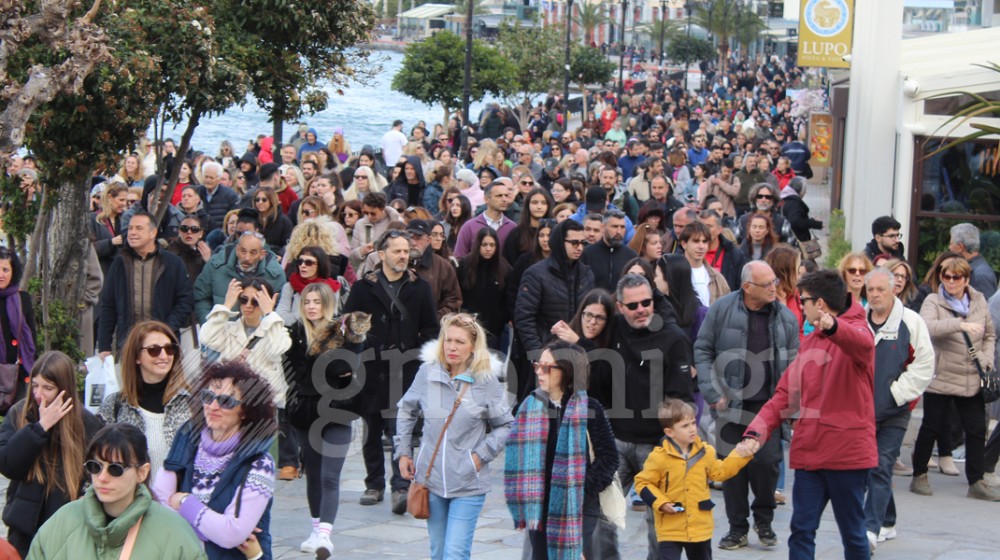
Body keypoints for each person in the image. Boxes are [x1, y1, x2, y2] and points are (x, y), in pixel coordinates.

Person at [741, 270, 877, 560]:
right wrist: (756, 432)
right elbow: (783, 396)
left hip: (847, 456)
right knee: (801, 530)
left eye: (803, 301)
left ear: (822, 304)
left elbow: (860, 344)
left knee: (853, 533)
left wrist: (834, 328)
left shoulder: (859, 330)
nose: (800, 306)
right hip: (810, 454)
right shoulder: (811, 341)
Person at [694, 261, 800, 551]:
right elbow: (702, 349)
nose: (773, 288)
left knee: (767, 465)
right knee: (732, 472)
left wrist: (793, 406)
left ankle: (763, 521)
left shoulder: (786, 318)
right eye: (766, 284)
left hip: (768, 408)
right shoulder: (721, 310)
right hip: (730, 406)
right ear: (747, 287)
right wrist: (711, 391)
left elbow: (795, 365)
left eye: (774, 282)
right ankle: (737, 528)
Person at [396, 313, 513, 560]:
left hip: (468, 483)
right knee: (438, 552)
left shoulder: (486, 381)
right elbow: (407, 409)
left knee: (455, 553)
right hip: (431, 479)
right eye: (448, 340)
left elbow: (505, 426)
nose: (451, 347)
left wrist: (479, 456)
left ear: (473, 347)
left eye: (459, 342)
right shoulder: (427, 372)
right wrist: (404, 451)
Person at [342, 230, 439, 514]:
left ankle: (400, 485)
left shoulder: (419, 287)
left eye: (405, 251)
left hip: (406, 369)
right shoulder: (363, 287)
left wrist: (418, 357)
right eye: (396, 251)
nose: (402, 256)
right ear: (381, 255)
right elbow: (348, 326)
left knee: (401, 429)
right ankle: (374, 483)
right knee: (371, 428)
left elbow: (432, 328)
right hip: (372, 368)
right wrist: (353, 357)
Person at [608, 273, 697, 560]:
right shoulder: (612, 329)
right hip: (616, 441)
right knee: (597, 515)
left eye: (646, 302)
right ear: (620, 306)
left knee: (661, 523)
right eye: (632, 305)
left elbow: (681, 397)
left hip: (656, 445)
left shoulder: (672, 337)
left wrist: (670, 446)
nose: (641, 309)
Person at [504, 340, 619, 560]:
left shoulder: (589, 408)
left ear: (567, 371)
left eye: (548, 367)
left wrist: (582, 488)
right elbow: (515, 456)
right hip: (539, 506)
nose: (540, 371)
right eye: (538, 365)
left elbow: (609, 457)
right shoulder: (529, 406)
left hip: (579, 506)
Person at [154, 360, 279, 559]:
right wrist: (209, 530)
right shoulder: (186, 440)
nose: (213, 406)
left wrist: (185, 501)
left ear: (245, 411)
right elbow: (159, 507)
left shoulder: (259, 462)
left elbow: (231, 534)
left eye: (227, 401)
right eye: (207, 396)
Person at [26, 423, 207, 560]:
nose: (102, 477)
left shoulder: (174, 532)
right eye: (95, 466)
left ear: (142, 472)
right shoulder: (62, 522)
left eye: (115, 469)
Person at [284, 282, 367, 554]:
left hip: (338, 411)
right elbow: (296, 372)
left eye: (317, 302)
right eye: (307, 301)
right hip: (305, 412)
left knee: (330, 476)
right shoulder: (294, 333)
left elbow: (347, 367)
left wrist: (329, 369)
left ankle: (325, 535)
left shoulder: (343, 332)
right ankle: (315, 529)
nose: (311, 306)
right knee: (313, 474)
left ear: (328, 304)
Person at [911, 256, 1000, 500]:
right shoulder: (933, 300)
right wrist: (958, 325)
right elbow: (927, 327)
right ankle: (919, 474)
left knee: (976, 429)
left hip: (971, 375)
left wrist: (987, 359)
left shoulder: (979, 300)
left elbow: (990, 334)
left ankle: (976, 481)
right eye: (946, 277)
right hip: (941, 374)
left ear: (966, 279)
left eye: (956, 277)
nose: (950, 282)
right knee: (931, 425)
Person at [0, 351, 104, 557]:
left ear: (64, 389)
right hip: (24, 531)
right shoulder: (19, 413)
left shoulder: (86, 422)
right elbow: (7, 464)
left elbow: (98, 467)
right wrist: (40, 427)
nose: (39, 394)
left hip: (69, 528)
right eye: (35, 385)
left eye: (48, 388)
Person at [862, 268, 935, 552]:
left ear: (894, 290)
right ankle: (887, 519)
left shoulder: (911, 321)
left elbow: (925, 365)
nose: (876, 295)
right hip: (861, 411)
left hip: (895, 411)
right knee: (870, 468)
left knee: (881, 465)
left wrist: (896, 395)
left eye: (881, 289)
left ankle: (869, 530)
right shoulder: (857, 319)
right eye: (871, 290)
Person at [634, 398, 755, 560]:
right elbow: (643, 483)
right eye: (685, 426)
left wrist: (740, 455)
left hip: (700, 528)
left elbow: (720, 472)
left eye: (692, 423)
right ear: (670, 432)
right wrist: (661, 503)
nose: (692, 429)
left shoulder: (706, 452)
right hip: (670, 528)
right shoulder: (658, 457)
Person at [97, 321, 192, 476]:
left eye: (169, 349)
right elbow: (97, 460)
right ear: (136, 357)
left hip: (176, 498)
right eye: (154, 350)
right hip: (130, 498)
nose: (164, 356)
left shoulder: (191, 404)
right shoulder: (115, 405)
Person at [97, 211, 194, 355]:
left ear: (153, 233)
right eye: (130, 228)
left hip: (163, 342)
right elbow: (108, 306)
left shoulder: (172, 263)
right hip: (128, 343)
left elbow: (185, 301)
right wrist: (104, 346)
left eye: (139, 228)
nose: (132, 233)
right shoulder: (120, 263)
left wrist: (166, 328)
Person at [199, 276, 291, 422]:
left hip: (265, 409)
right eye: (243, 299)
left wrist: (269, 313)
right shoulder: (229, 329)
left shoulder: (276, 331)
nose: (248, 305)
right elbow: (206, 337)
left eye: (255, 302)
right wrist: (226, 306)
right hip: (230, 408)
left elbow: (278, 348)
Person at [515, 219, 596, 355]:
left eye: (583, 243)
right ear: (560, 242)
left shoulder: (587, 274)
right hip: (548, 351)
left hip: (578, 351)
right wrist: (539, 354)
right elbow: (524, 318)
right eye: (574, 243)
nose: (580, 248)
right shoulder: (536, 274)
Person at [193, 230, 286, 324]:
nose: (247, 258)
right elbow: (201, 297)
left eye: (253, 253)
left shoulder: (276, 275)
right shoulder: (216, 265)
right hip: (220, 331)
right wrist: (209, 325)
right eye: (243, 251)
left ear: (262, 254)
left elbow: (279, 309)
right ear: (237, 250)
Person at [457, 227, 510, 350]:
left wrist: (499, 320)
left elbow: (507, 300)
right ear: (477, 245)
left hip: (493, 331)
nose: (488, 249)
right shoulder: (465, 265)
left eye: (492, 245)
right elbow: (459, 294)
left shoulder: (504, 268)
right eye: (484, 244)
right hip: (468, 327)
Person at [0, 248, 37, 404]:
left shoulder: (22, 298)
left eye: (5, 270)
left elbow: (31, 338)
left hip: (20, 373)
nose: (1, 275)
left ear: (13, 272)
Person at [406, 220, 463, 319]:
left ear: (428, 240)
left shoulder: (443, 266)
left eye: (419, 238)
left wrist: (434, 320)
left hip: (429, 330)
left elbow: (453, 301)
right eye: (411, 238)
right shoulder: (394, 261)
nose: (414, 243)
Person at [453, 180, 517, 258]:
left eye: (506, 195)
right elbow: (459, 257)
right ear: (486, 199)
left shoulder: (512, 228)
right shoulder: (469, 227)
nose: (504, 199)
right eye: (499, 196)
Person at [581, 210, 638, 291]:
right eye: (614, 226)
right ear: (602, 227)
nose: (619, 231)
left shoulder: (631, 256)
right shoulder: (587, 254)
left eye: (622, 227)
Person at [679, 222, 730, 307]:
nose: (701, 246)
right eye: (696, 241)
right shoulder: (673, 273)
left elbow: (727, 308)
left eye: (705, 242)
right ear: (684, 244)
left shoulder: (718, 278)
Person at [699, 209, 746, 291]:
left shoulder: (734, 254)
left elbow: (740, 287)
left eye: (708, 226)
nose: (704, 230)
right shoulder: (690, 253)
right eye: (700, 226)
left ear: (719, 230)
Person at [90, 182, 129, 277]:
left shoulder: (126, 218)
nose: (124, 204)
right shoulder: (93, 219)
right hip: (102, 273)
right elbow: (89, 249)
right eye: (121, 200)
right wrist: (110, 242)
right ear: (110, 197)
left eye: (125, 201)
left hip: (123, 273)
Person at [949, 223, 997, 299]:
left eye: (951, 244)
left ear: (960, 247)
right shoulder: (976, 270)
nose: (949, 248)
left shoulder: (980, 275)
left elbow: (987, 308)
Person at [779, 177, 822, 243]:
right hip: (795, 241)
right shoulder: (793, 202)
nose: (805, 192)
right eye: (804, 189)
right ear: (800, 189)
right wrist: (814, 223)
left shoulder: (787, 198)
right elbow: (795, 222)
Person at [253, 187, 293, 255]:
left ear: (271, 201)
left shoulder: (284, 221)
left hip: (275, 257)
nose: (260, 202)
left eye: (264, 200)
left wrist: (280, 255)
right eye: (257, 200)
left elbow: (288, 244)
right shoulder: (252, 218)